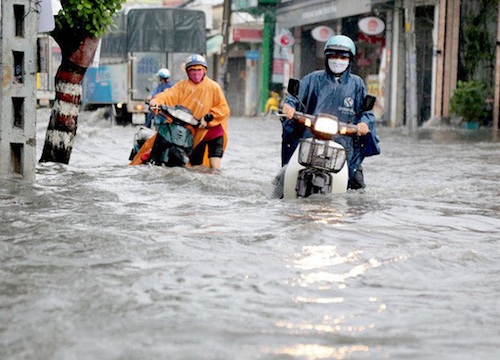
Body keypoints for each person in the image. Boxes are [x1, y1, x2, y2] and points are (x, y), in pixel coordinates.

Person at [281, 34, 380, 190]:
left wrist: (363, 123)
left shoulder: (357, 84)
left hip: (343, 141)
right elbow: (294, 97)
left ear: (349, 60)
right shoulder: (312, 79)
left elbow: (365, 112)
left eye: (342, 57)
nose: (337, 60)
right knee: (284, 176)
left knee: (358, 189)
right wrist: (289, 106)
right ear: (326, 57)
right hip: (310, 137)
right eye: (333, 56)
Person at [148, 54, 230, 170]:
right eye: (192, 70)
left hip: (214, 133)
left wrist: (209, 117)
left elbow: (223, 108)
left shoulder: (213, 87)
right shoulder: (182, 86)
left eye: (199, 70)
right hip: (195, 133)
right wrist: (156, 101)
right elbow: (168, 95)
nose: (196, 73)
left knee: (215, 167)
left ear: (204, 70)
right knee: (195, 167)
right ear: (187, 71)